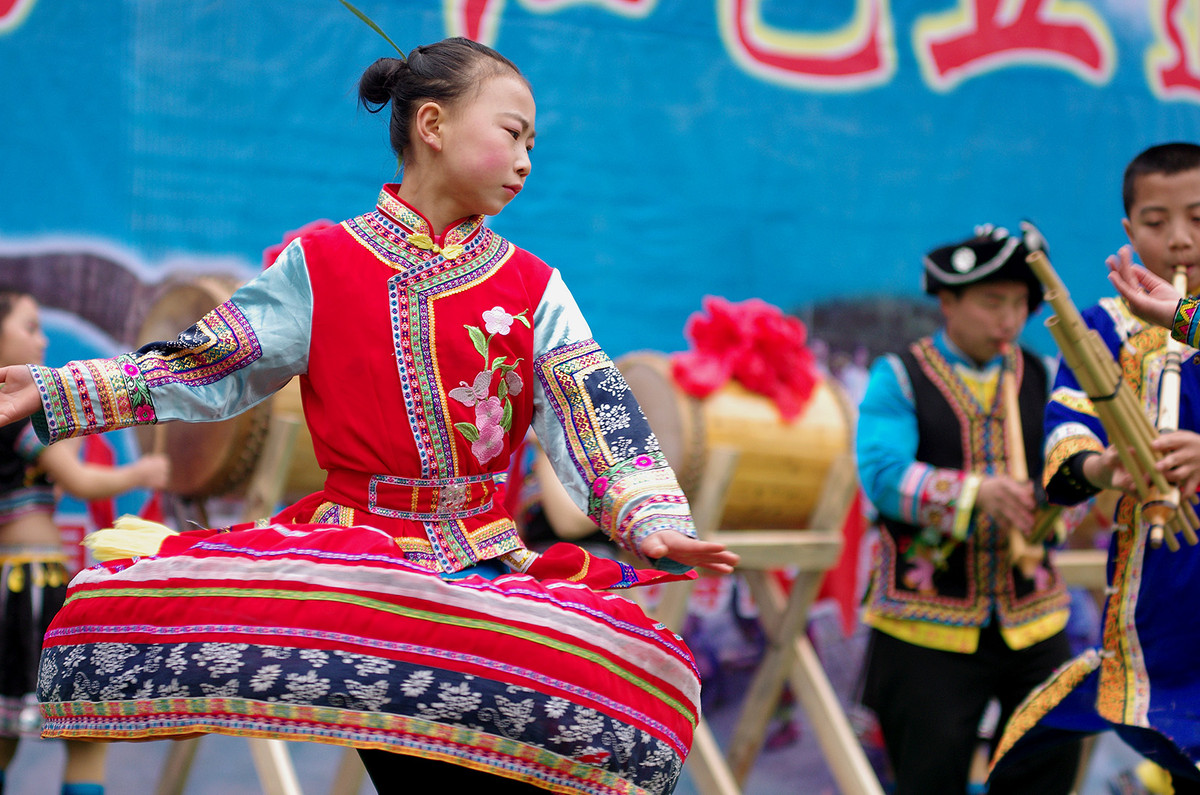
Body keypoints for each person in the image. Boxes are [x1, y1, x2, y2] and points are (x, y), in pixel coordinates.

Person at [0, 36, 736, 795]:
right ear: (433, 124)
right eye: (512, 132)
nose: (526, 159)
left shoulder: (531, 285)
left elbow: (594, 410)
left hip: (484, 562)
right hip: (362, 567)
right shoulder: (324, 263)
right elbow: (205, 363)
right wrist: (60, 388)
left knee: (636, 705)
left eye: (532, 144)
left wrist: (650, 516)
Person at [992, 142, 1200, 794]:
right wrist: (1106, 466)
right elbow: (1068, 430)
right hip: (1161, 595)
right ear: (1129, 231)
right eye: (1157, 221)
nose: (1181, 240)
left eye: (1199, 217)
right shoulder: (1103, 326)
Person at [855, 224, 1080, 795]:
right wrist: (976, 492)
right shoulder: (901, 376)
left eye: (1019, 304)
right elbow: (881, 476)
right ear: (947, 301)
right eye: (991, 302)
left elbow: (1070, 470)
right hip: (924, 621)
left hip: (1033, 615)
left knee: (1047, 763)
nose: (1008, 320)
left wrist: (1066, 500)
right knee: (929, 777)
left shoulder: (1048, 376)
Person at [0, 290, 169, 795]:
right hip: (29, 584)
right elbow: (79, 481)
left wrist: (71, 413)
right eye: (29, 327)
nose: (43, 337)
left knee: (5, 733)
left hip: (12, 583)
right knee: (85, 733)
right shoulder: (17, 418)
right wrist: (142, 470)